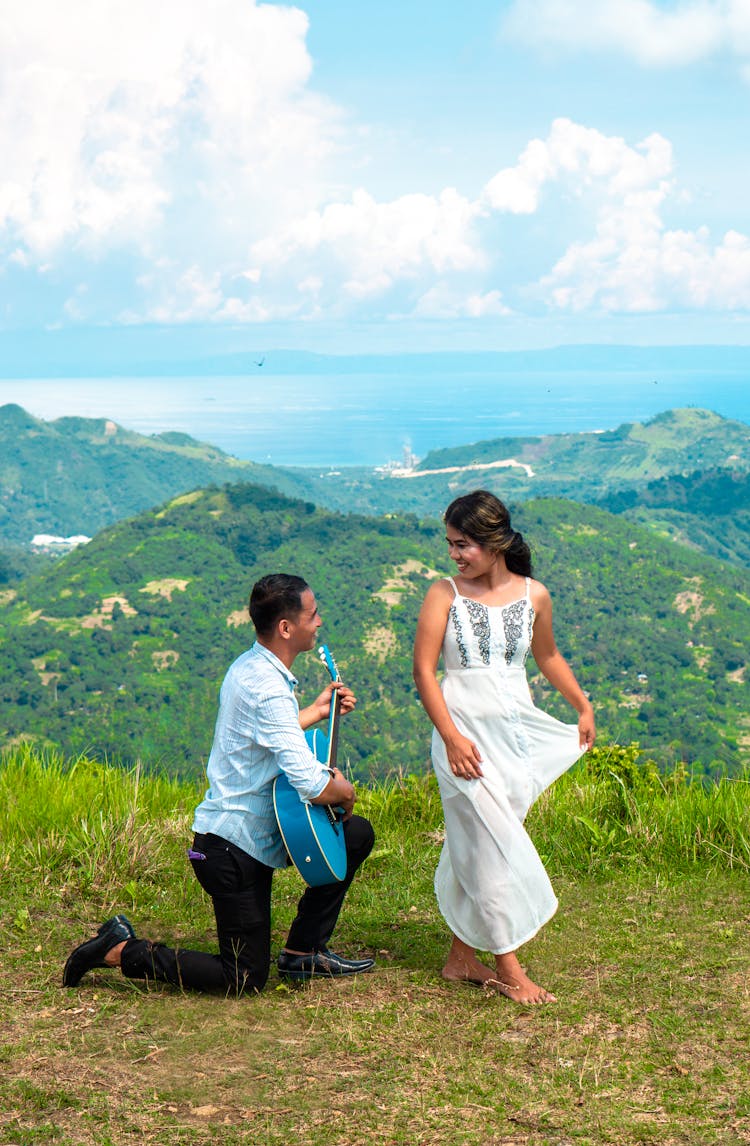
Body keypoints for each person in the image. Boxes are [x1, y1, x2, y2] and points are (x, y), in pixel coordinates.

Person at [63, 573, 375, 995]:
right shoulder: (268, 687)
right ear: (286, 627)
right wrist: (346, 791)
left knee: (354, 834)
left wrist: (316, 713)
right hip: (230, 849)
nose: (319, 622)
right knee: (243, 979)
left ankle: (304, 952)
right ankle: (120, 949)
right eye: (312, 614)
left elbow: (266, 735)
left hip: (257, 834)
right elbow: (310, 783)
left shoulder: (251, 666)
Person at [413, 491, 594, 1005]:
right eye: (451, 544)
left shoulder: (534, 595)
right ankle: (508, 965)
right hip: (462, 738)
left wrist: (582, 704)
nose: (455, 555)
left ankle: (459, 957)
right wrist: (450, 737)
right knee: (491, 844)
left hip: (515, 735)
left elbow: (548, 655)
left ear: (494, 542)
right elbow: (423, 672)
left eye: (463, 544)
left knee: (478, 840)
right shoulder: (443, 594)